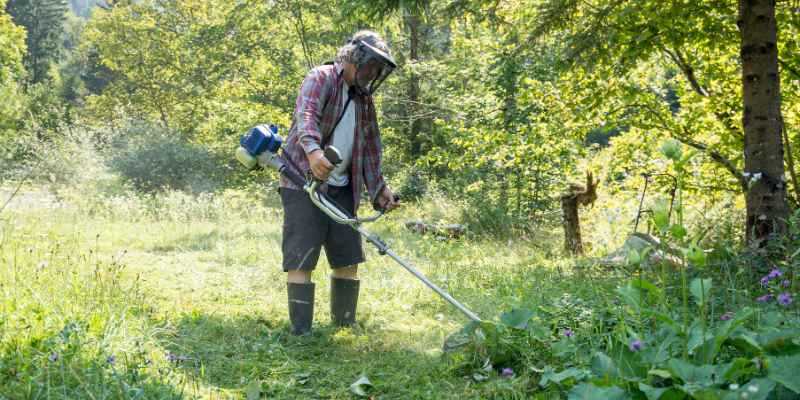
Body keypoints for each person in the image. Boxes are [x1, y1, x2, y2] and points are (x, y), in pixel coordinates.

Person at [279, 30, 399, 335]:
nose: (373, 73)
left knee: (347, 256)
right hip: (303, 182)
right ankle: (301, 332)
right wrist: (314, 152)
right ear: (354, 56)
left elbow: (370, 149)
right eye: (371, 65)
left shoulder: (364, 100)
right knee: (302, 257)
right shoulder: (321, 78)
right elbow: (305, 116)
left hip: (343, 186)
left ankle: (344, 324)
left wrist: (379, 189)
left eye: (378, 69)